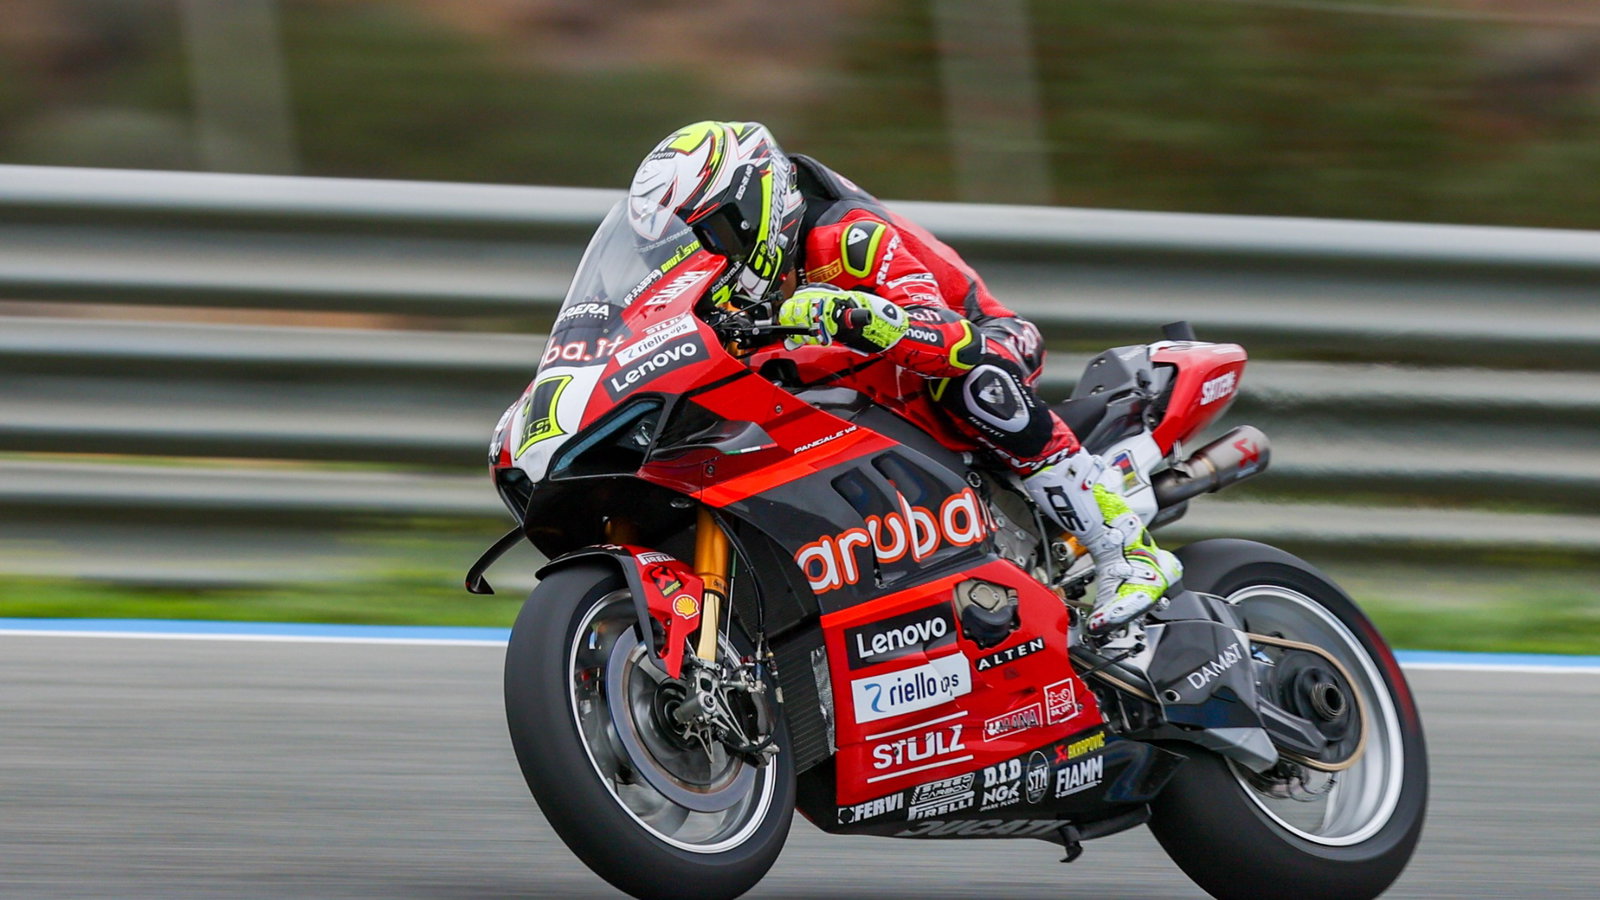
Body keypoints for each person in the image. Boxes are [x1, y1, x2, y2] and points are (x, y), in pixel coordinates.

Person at [627, 120, 1180, 637]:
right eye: (683, 248)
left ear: (756, 209)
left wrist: (860, 315)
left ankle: (1125, 549)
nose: (703, 257)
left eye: (712, 235)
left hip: (983, 336)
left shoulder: (845, 237)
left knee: (968, 379)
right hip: (856, 376)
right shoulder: (723, 299)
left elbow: (948, 336)